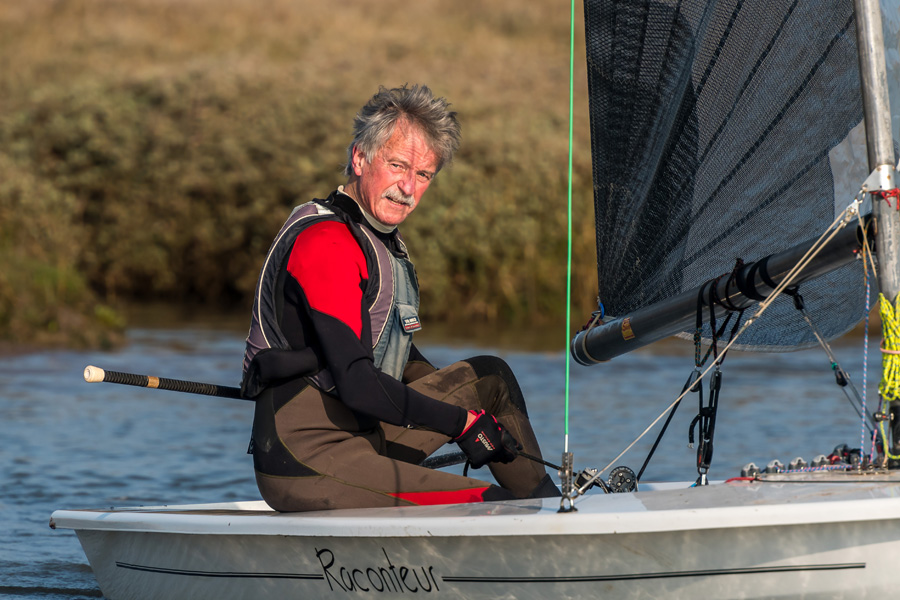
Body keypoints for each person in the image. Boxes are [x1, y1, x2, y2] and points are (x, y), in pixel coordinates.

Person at [241, 84, 559, 512]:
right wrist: (461, 424)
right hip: (307, 457)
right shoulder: (327, 243)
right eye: (397, 166)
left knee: (489, 378)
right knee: (491, 505)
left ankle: (552, 509)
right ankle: (535, 524)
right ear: (360, 158)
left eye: (423, 175)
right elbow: (358, 384)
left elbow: (397, 354)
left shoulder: (379, 241)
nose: (407, 187)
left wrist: (470, 411)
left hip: (365, 432)